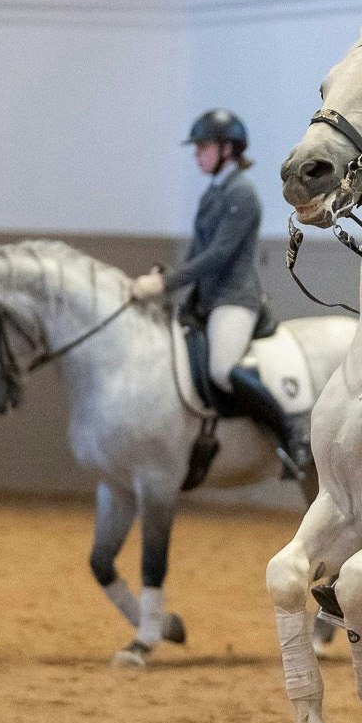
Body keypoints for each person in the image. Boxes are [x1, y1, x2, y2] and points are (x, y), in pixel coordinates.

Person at [130, 110, 310, 478]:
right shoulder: (213, 193)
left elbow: (219, 256)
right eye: (197, 148)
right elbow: (197, 250)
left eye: (204, 147)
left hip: (234, 298)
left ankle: (292, 435)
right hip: (206, 299)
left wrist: (167, 284)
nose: (198, 154)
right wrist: (166, 278)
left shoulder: (243, 194)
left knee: (222, 370)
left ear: (228, 149)